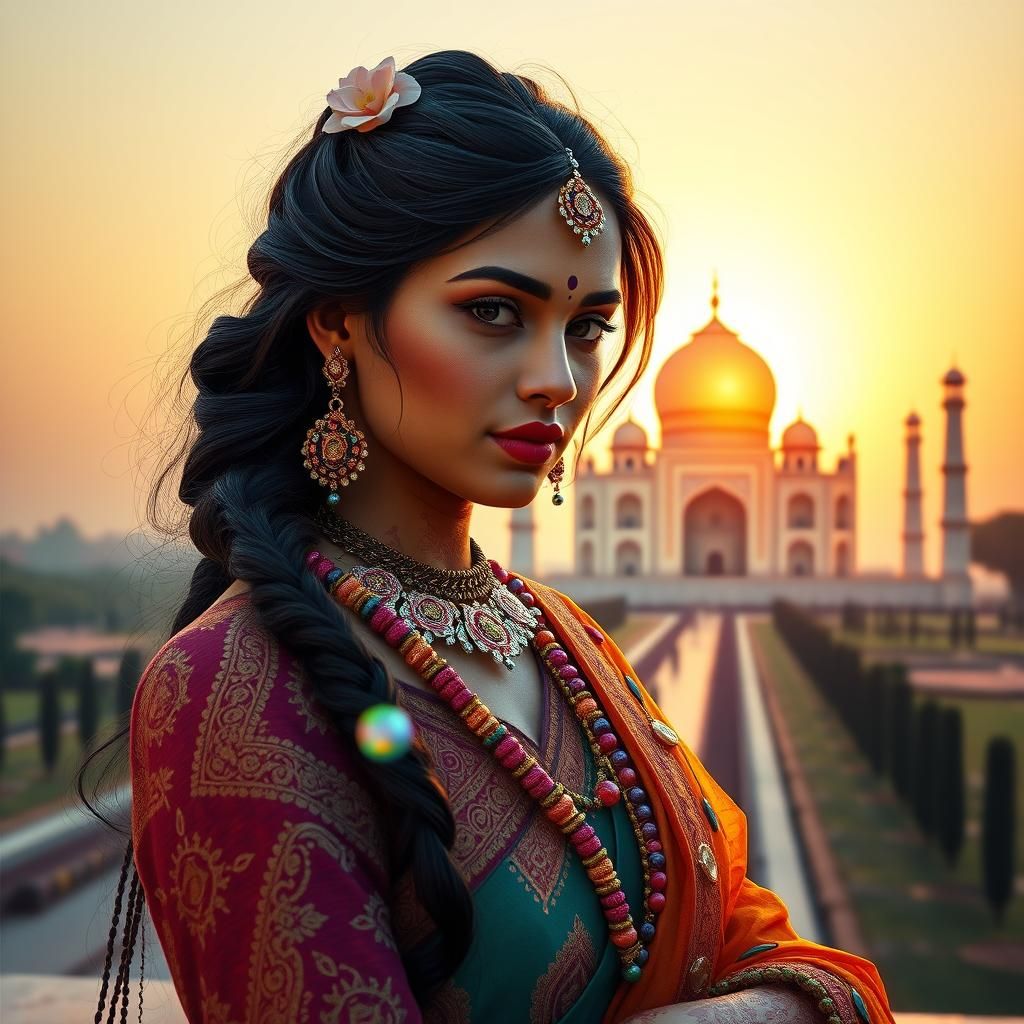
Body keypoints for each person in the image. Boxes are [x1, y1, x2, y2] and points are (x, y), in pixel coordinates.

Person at [83, 49, 895, 1024]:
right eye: (493, 311)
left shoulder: (563, 641)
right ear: (340, 324)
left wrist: (784, 1002)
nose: (557, 376)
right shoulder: (238, 687)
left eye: (587, 327)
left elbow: (773, 948)